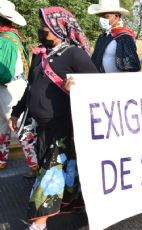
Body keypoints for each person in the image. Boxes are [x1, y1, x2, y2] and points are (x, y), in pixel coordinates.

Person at [8, 7, 98, 230]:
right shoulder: (40, 54)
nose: (41, 30)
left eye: (44, 26)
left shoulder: (74, 54)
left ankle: (39, 222)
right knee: (61, 169)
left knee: (52, 170)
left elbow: (97, 86)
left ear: (58, 27)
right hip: (43, 125)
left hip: (63, 124)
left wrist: (77, 87)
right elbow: (31, 88)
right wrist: (17, 112)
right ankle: (86, 206)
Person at [0, 0, 39, 178]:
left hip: (10, 88)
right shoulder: (9, 37)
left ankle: (36, 166)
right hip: (9, 88)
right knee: (3, 126)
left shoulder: (6, 41)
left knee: (20, 126)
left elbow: (4, 72)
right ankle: (2, 159)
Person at [89, 0, 141, 73]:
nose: (102, 19)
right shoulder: (103, 36)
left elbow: (130, 66)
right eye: (100, 16)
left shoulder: (125, 37)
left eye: (106, 16)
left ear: (117, 16)